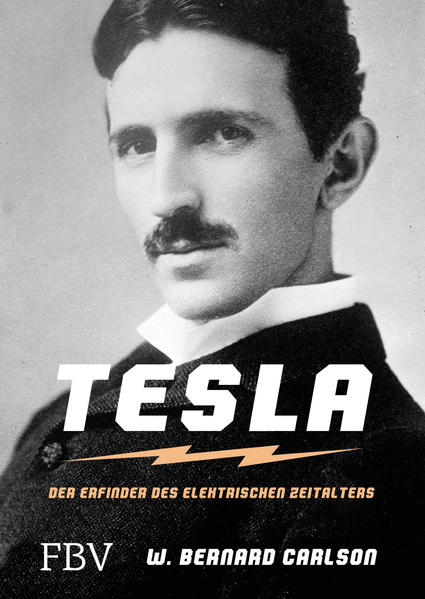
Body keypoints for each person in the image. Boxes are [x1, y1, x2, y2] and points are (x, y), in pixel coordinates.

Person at [0, 1, 423, 597]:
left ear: (339, 165)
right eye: (136, 145)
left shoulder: (376, 467)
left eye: (225, 134)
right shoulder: (74, 409)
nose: (167, 198)